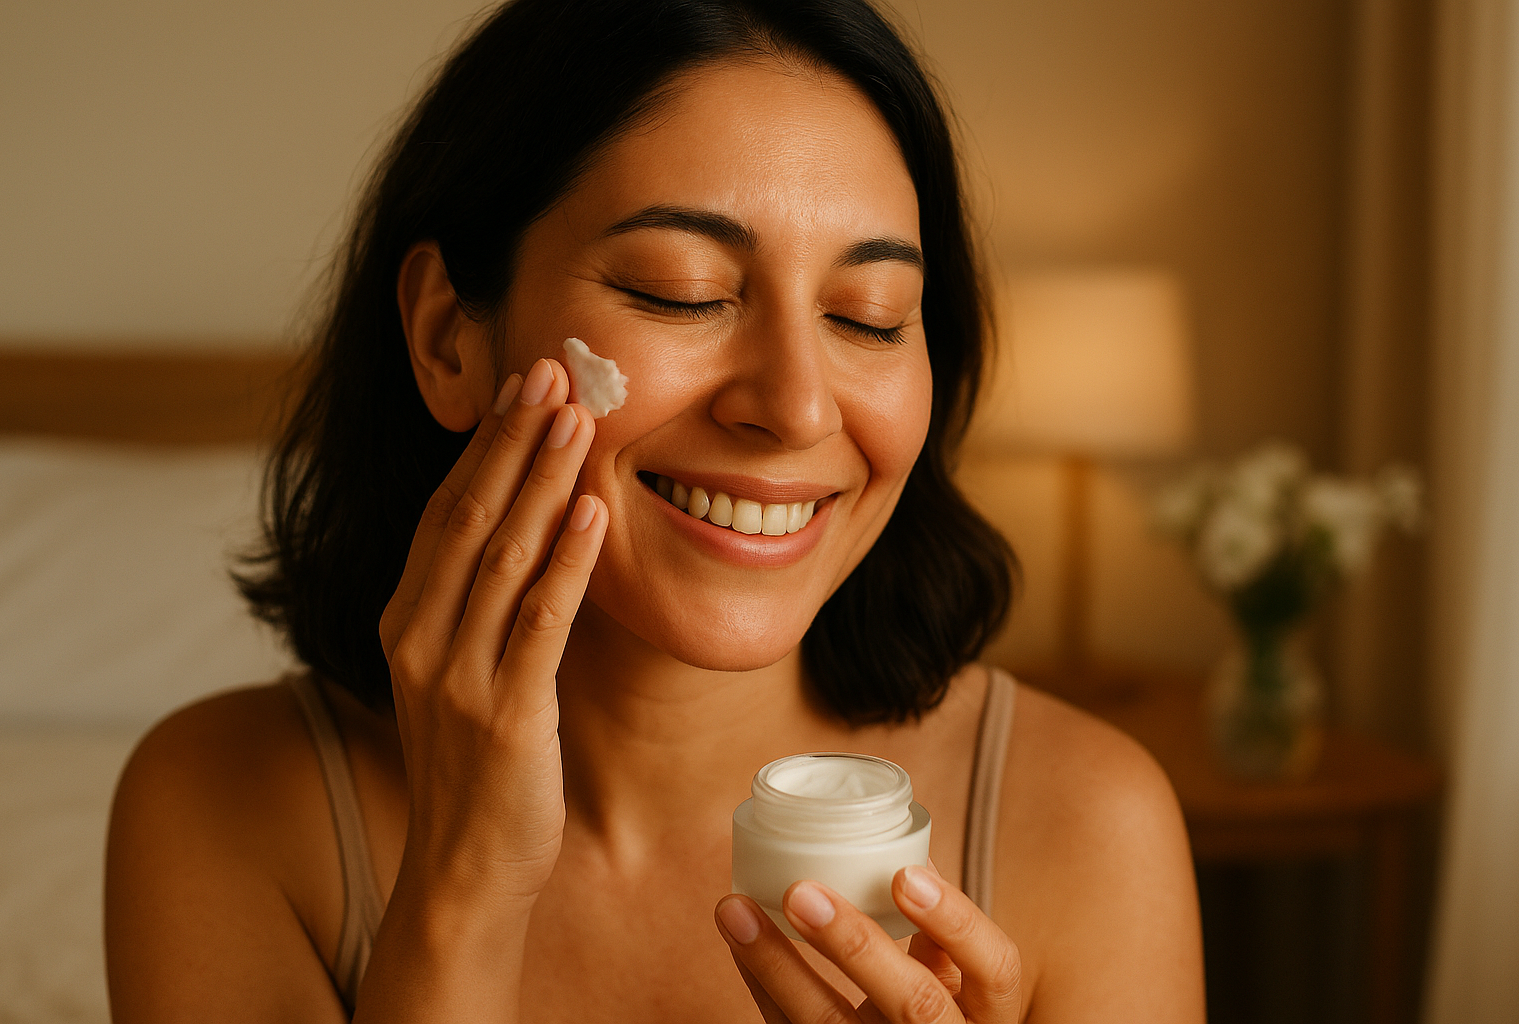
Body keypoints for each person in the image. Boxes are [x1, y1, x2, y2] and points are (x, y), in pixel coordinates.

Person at [104, 1, 1205, 1020]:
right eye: (682, 292)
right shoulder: (220, 807)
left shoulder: (1090, 824)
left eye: (870, 316)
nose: (795, 404)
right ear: (449, 336)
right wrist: (462, 888)